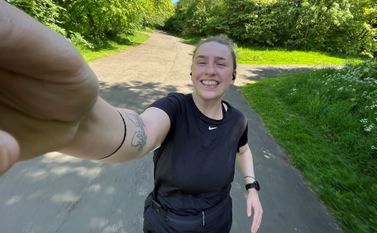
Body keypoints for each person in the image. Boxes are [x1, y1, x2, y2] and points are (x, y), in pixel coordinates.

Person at [0, 2, 263, 233]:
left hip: (219, 221)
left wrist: (252, 187)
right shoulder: (174, 108)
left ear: (233, 75)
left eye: (221, 63)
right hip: (169, 225)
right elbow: (140, 133)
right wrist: (79, 121)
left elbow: (243, 150)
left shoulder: (238, 119)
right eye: (201, 61)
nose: (210, 70)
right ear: (192, 71)